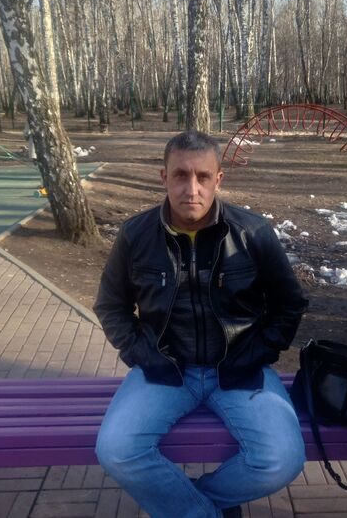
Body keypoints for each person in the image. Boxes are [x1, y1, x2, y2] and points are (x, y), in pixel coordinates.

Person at [94, 130, 308, 518]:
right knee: (116, 450)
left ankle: (192, 502)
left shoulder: (252, 232)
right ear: (164, 177)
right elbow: (111, 306)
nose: (191, 189)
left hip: (239, 370)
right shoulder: (136, 235)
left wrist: (258, 353)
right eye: (180, 175)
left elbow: (289, 303)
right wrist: (143, 354)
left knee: (282, 459)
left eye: (203, 176)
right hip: (164, 370)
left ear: (218, 179)